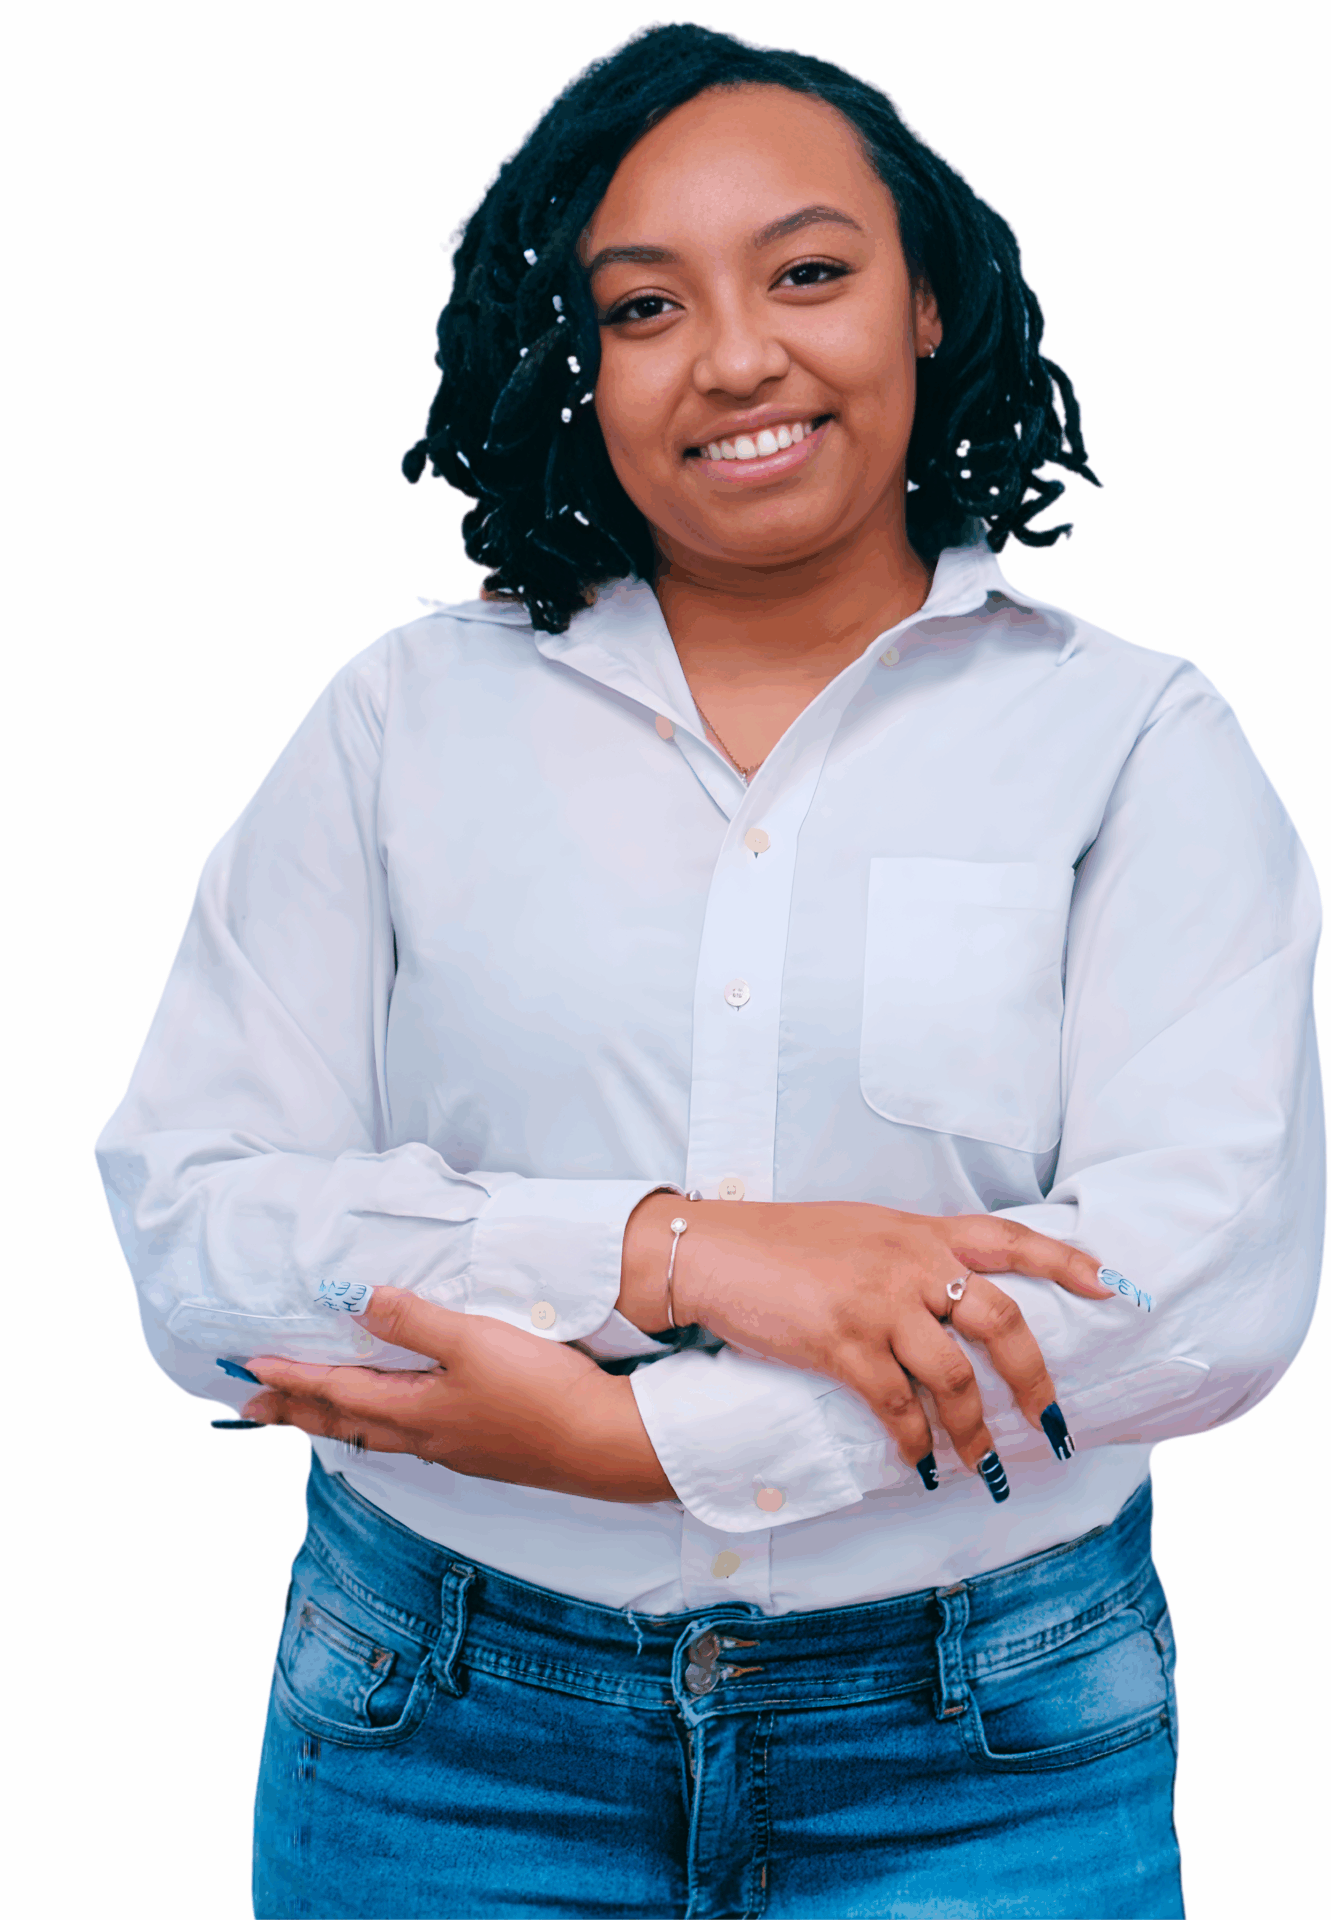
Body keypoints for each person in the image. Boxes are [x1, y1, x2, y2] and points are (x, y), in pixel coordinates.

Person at [96, 22, 1321, 1920]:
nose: (737, 355)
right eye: (645, 304)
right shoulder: (400, 723)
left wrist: (642, 1436)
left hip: (982, 1744)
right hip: (441, 1728)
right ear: (575, 363)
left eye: (809, 273)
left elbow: (1197, 1285)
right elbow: (201, 1240)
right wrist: (671, 1252)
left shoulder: (1131, 740)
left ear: (929, 301)